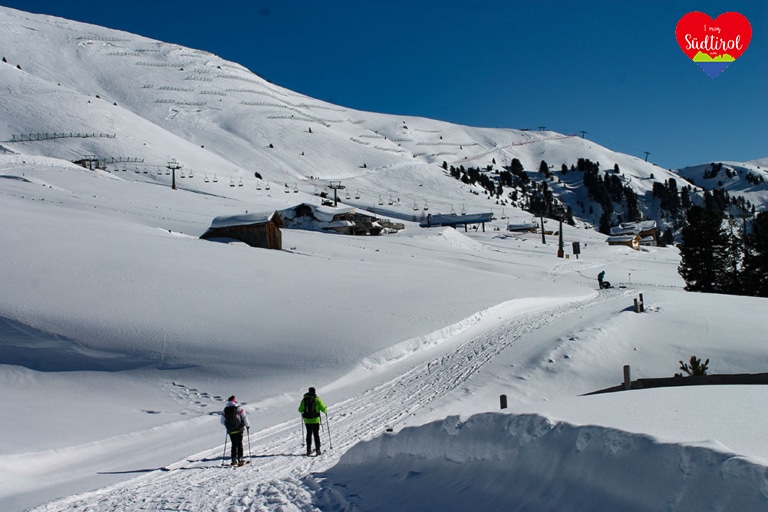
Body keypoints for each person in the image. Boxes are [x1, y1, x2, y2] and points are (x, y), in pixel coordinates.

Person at [220, 395, 250, 466]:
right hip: (239, 429)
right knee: (239, 444)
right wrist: (247, 426)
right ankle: (240, 459)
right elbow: (244, 417)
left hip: (231, 430)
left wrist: (227, 426)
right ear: (234, 401)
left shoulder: (225, 410)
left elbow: (222, 421)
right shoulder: (238, 408)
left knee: (233, 444)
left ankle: (233, 460)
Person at [298, 387, 327, 456]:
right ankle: (318, 450)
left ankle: (308, 450)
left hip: (307, 420)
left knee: (309, 434)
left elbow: (300, 410)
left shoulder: (304, 399)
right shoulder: (317, 399)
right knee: (316, 434)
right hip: (315, 420)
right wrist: (325, 409)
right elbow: (324, 410)